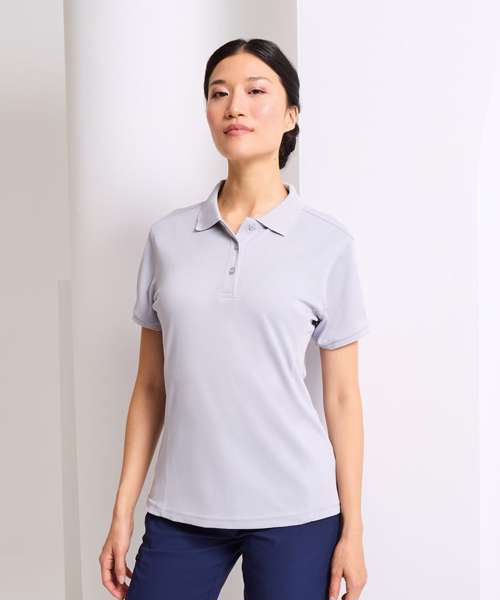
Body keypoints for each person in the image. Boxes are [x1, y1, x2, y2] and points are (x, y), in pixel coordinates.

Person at [99, 38, 370, 600]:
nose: (234, 107)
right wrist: (122, 511)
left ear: (291, 115)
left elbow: (343, 397)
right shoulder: (167, 238)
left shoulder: (327, 244)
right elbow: (150, 387)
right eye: (219, 93)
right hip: (182, 510)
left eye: (255, 91)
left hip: (297, 511)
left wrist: (354, 528)